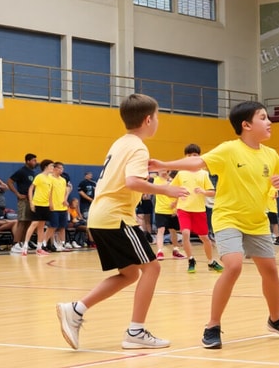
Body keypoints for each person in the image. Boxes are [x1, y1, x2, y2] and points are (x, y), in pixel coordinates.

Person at [150, 100, 279, 349]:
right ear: (246, 125)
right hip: (228, 217)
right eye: (263, 117)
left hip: (256, 221)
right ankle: (212, 325)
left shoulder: (270, 154)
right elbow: (198, 163)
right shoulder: (230, 150)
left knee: (271, 271)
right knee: (233, 265)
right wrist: (165, 165)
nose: (269, 122)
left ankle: (275, 319)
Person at [56, 93, 189, 350]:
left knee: (129, 274)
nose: (158, 121)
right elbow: (131, 182)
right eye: (158, 117)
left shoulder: (121, 143)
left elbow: (124, 177)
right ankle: (136, 331)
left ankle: (75, 309)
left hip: (100, 215)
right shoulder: (139, 147)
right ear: (149, 119)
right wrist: (166, 190)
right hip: (115, 216)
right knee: (152, 268)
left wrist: (148, 171)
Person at [171, 144, 221, 273]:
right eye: (189, 155)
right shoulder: (181, 173)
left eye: (195, 155)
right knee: (185, 233)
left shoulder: (204, 174)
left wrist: (203, 192)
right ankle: (191, 259)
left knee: (205, 238)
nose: (192, 157)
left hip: (199, 210)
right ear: (185, 157)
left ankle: (210, 261)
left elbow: (212, 192)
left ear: (199, 157)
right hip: (184, 209)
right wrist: (176, 199)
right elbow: (172, 188)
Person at [21, 160, 55, 256]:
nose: (53, 168)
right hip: (37, 204)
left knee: (41, 226)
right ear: (46, 167)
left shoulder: (51, 179)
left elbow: (50, 192)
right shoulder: (39, 177)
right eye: (52, 166)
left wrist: (51, 203)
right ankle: (25, 247)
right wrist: (31, 203)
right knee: (34, 224)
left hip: (46, 205)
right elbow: (31, 189)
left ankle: (39, 248)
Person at [8, 153, 39, 254]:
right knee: (21, 222)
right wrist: (17, 194)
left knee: (28, 222)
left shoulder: (33, 172)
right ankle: (15, 244)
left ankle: (23, 242)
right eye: (34, 160)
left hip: (31, 200)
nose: (35, 162)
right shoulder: (21, 171)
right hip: (23, 200)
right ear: (28, 161)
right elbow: (9, 182)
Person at [153, 170, 185, 260]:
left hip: (172, 211)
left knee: (173, 231)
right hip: (160, 210)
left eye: (165, 170)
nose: (163, 172)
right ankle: (159, 251)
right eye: (161, 170)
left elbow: (179, 194)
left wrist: (176, 204)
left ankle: (176, 251)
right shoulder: (156, 180)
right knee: (160, 230)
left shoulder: (173, 181)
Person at [49, 162, 71, 251]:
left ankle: (62, 244)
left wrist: (65, 199)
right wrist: (50, 203)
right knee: (53, 226)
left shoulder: (63, 180)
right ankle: (49, 244)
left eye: (62, 168)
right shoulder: (50, 178)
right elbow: (48, 192)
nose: (62, 170)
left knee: (62, 227)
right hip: (54, 207)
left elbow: (66, 191)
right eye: (60, 168)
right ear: (55, 168)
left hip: (62, 207)